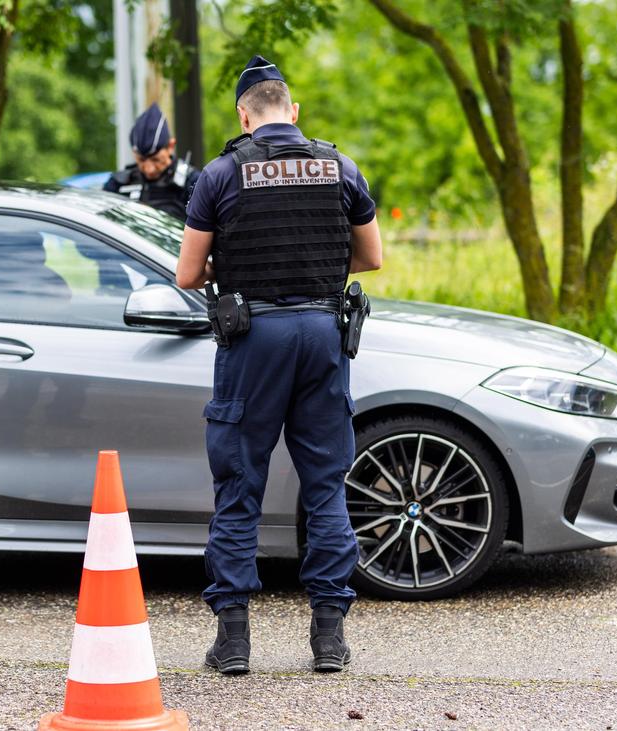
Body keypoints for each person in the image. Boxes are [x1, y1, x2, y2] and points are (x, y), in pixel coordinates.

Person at [174, 55, 383, 675]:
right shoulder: (339, 167)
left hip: (253, 339)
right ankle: (329, 638)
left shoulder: (220, 174)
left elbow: (188, 273)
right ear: (293, 112)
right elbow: (369, 258)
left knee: (240, 485)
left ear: (244, 115)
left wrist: (231, 268)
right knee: (325, 487)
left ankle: (233, 640)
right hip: (323, 333)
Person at [103, 102, 201, 221]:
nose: (149, 169)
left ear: (170, 146)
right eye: (141, 160)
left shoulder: (193, 184)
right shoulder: (118, 184)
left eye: (156, 159)